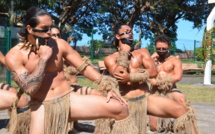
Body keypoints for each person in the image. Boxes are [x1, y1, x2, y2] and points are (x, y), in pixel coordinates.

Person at [5, 7, 138, 134]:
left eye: (50, 28)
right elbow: (29, 89)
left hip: (68, 100)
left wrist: (108, 88)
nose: (49, 32)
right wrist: (43, 60)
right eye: (45, 29)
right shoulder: (14, 55)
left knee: (120, 108)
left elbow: (84, 68)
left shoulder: (59, 44)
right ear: (30, 28)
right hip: (41, 106)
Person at [94, 22, 199, 134]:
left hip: (145, 98)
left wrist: (131, 77)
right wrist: (124, 53)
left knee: (181, 110)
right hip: (125, 101)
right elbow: (120, 75)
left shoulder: (142, 52)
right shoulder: (110, 59)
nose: (130, 34)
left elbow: (153, 72)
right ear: (118, 36)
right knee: (148, 128)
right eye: (126, 32)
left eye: (131, 32)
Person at [149, 35, 199, 133]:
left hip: (171, 89)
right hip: (155, 91)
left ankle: (188, 127)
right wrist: (151, 60)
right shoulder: (151, 60)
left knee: (181, 99)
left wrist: (159, 81)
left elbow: (177, 77)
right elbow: (144, 73)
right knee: (154, 127)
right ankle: (172, 126)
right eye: (158, 48)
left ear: (169, 47)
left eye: (164, 48)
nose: (161, 50)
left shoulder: (175, 60)